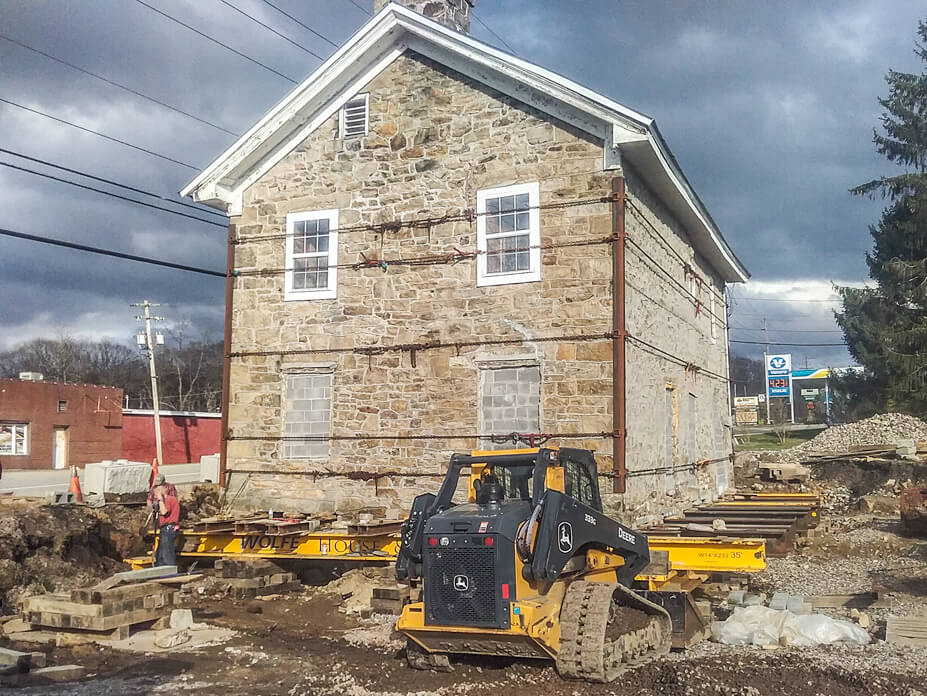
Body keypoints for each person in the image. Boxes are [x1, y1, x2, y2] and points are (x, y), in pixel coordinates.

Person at [153, 484, 180, 567]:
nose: (155, 497)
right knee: (159, 554)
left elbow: (164, 512)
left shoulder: (168, 500)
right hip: (165, 529)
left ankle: (169, 571)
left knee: (167, 554)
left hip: (168, 528)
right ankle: (160, 570)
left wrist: (161, 499)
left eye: (156, 495)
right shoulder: (169, 500)